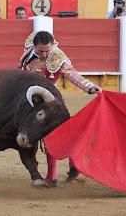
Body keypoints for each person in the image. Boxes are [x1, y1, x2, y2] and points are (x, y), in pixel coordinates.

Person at [19, 31, 102, 187]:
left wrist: (90, 87)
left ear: (52, 47)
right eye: (40, 51)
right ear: (34, 46)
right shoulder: (29, 50)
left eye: (46, 51)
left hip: (51, 101)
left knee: (52, 136)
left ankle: (52, 177)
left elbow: (72, 74)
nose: (44, 54)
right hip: (30, 100)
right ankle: (73, 165)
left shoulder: (57, 56)